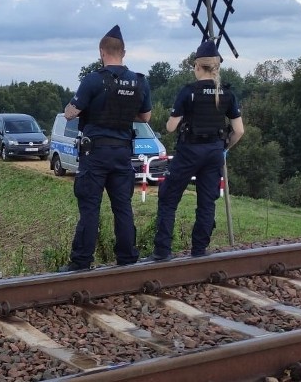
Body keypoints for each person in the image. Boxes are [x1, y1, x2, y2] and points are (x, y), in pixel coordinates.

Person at [60, 24, 152, 271]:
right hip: (123, 153)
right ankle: (127, 259)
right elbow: (145, 117)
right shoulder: (140, 82)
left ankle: (81, 262)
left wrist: (81, 108)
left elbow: (71, 113)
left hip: (95, 153)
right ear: (124, 52)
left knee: (90, 207)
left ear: (102, 52)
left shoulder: (92, 80)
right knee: (122, 206)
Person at [145, 40, 244, 261]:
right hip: (214, 152)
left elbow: (170, 127)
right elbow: (238, 131)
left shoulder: (189, 91)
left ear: (197, 66)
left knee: (169, 198)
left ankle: (162, 252)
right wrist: (224, 147)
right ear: (216, 67)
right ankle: (199, 250)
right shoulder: (227, 93)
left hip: (189, 151)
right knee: (206, 202)